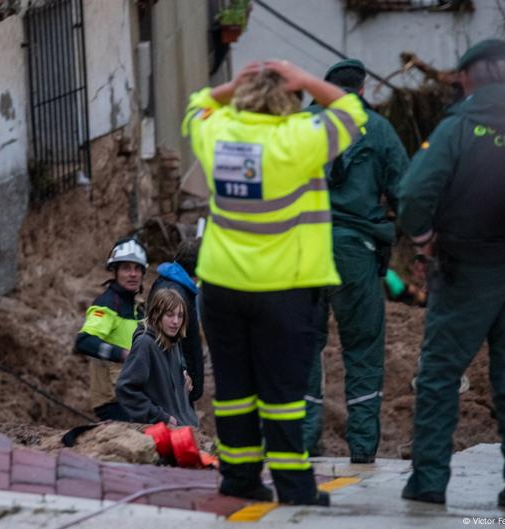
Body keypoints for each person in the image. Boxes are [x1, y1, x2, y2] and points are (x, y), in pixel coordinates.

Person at [183, 59, 367, 506]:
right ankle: (294, 487)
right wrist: (304, 79)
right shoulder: (300, 138)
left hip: (222, 288)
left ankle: (240, 479)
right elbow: (352, 111)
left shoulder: (218, 133)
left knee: (233, 391)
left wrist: (234, 82)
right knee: (283, 393)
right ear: (289, 101)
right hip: (284, 290)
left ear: (243, 97)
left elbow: (196, 107)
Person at [397, 39, 505, 511]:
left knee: (441, 376)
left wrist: (425, 238)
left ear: (468, 78)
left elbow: (412, 195)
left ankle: (428, 481)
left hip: (465, 271)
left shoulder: (458, 127)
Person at [302, 59, 410, 464]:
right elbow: (407, 191)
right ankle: (363, 448)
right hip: (356, 253)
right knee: (362, 347)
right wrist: (421, 242)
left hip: (304, 250)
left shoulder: (302, 124)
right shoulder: (378, 128)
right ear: (362, 90)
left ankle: (305, 439)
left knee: (303, 344)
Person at [74, 237, 148, 421]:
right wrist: (122, 354)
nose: (133, 274)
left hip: (136, 397)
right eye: (126, 268)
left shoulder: (139, 307)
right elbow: (84, 341)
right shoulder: (107, 303)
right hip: (113, 401)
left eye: (137, 268)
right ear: (114, 272)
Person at [116, 288, 199, 427]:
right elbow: (125, 389)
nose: (176, 321)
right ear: (156, 314)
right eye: (170, 314)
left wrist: (184, 372)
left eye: (180, 315)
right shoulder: (145, 344)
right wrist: (161, 417)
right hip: (161, 432)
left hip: (186, 427)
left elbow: (178, 364)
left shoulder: (174, 340)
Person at [147, 238, 203, 404]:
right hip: (174, 390)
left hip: (178, 385)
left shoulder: (178, 287)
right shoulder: (175, 294)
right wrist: (183, 374)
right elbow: (168, 341)